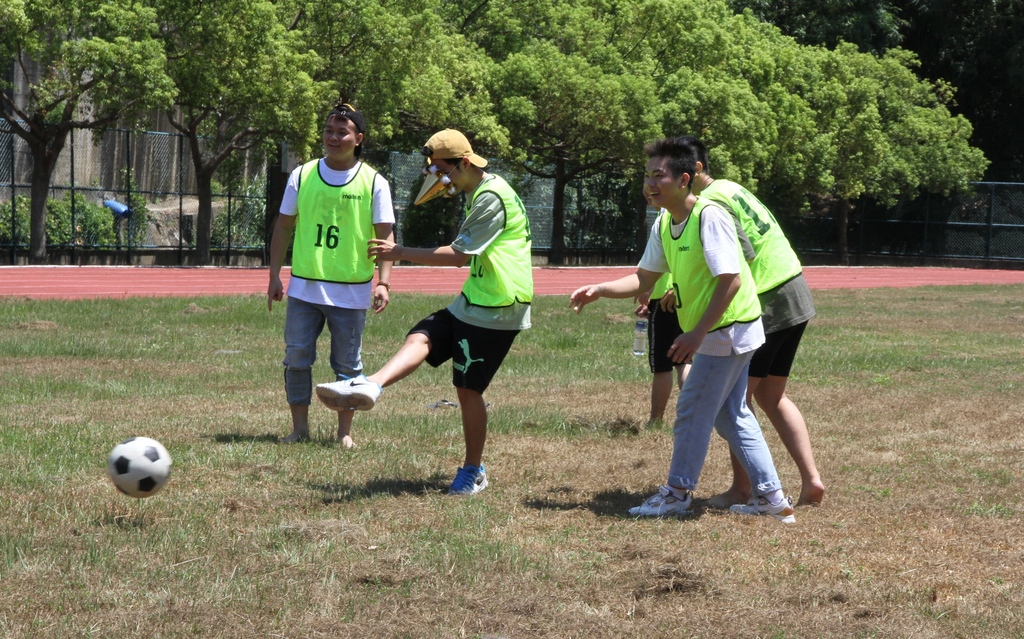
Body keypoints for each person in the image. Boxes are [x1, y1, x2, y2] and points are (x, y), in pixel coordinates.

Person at [570, 136, 795, 523]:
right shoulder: (663, 223)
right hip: (727, 330)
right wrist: (600, 290)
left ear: (685, 179)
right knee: (731, 414)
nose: (650, 184)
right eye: (647, 176)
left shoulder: (710, 217)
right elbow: (644, 278)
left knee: (691, 409)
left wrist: (695, 335)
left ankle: (677, 493)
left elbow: (731, 281)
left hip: (728, 330)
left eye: (659, 176)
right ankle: (772, 498)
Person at [314, 129, 533, 496]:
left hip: (498, 308)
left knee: (467, 390)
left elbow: (459, 256)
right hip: (476, 299)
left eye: (441, 169)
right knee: (423, 333)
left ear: (464, 162)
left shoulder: (491, 197)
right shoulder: (477, 190)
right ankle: (371, 384)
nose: (437, 178)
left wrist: (398, 252)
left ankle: (474, 471)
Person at [681, 136, 825, 507]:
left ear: (695, 170)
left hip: (769, 299)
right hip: (794, 288)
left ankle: (745, 490)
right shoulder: (731, 187)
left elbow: (738, 257)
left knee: (736, 400)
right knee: (770, 395)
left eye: (676, 170)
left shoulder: (709, 203)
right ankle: (811, 481)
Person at [267, 103, 395, 448]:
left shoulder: (374, 182)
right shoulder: (303, 174)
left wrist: (383, 281)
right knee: (296, 358)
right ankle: (299, 429)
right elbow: (284, 225)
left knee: (348, 366)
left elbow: (386, 237)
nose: (333, 138)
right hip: (304, 288)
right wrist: (274, 275)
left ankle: (345, 434)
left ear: (358, 139)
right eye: (328, 131)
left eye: (342, 132)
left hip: (350, 292)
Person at [636, 270, 687, 427]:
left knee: (662, 366)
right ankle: (693, 415)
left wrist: (647, 288)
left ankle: (655, 420)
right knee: (684, 360)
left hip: (664, 297)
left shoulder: (663, 243)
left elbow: (659, 263)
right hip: (685, 296)